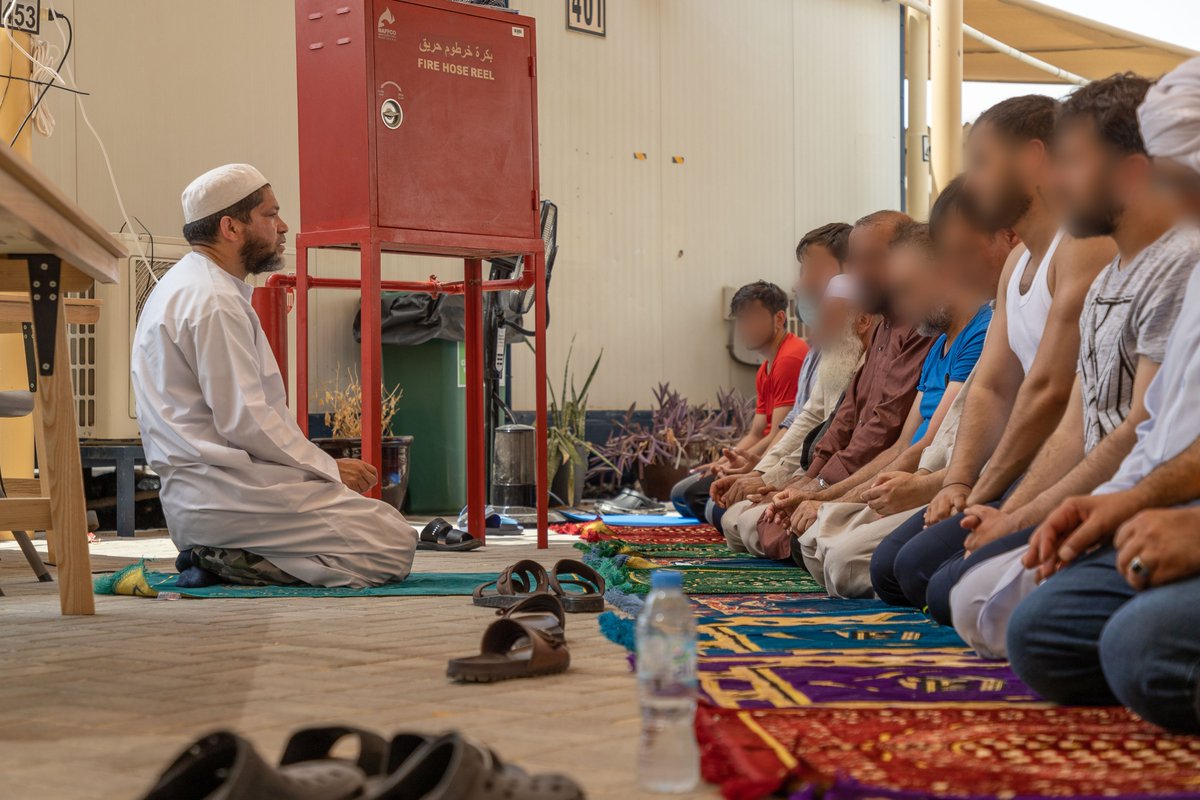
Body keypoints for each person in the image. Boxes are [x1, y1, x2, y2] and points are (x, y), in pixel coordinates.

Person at [951, 64, 1200, 733]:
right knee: (1032, 629)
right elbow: (1155, 436)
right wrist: (1117, 504)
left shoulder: (1176, 260)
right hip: (1159, 500)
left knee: (1137, 647)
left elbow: (1084, 413)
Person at [870, 94, 1116, 614]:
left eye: (981, 161)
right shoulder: (1016, 265)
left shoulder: (1082, 247)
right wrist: (959, 483)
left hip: (1060, 467)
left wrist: (990, 491)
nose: (972, 181)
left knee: (935, 584)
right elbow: (992, 385)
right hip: (1020, 468)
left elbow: (1049, 391)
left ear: (1031, 159)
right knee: (894, 567)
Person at [131, 164, 418, 588]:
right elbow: (245, 419)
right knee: (392, 542)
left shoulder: (191, 286)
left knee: (378, 527)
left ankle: (236, 554)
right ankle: (226, 559)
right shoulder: (213, 302)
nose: (283, 227)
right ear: (231, 226)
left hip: (225, 489)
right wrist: (328, 468)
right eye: (270, 215)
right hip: (224, 496)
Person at [794, 179, 1014, 596]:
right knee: (812, 540)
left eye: (908, 290)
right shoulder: (934, 345)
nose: (905, 306)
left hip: (941, 479)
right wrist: (827, 492)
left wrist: (831, 493)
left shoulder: (982, 329)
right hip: (916, 476)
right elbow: (901, 444)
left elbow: (932, 442)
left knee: (851, 559)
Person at [721, 211, 933, 558]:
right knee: (741, 520)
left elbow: (884, 430)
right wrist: (802, 481)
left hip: (878, 478)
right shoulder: (881, 329)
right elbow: (842, 419)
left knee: (815, 547)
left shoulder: (918, 330)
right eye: (855, 262)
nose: (858, 273)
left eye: (871, 260)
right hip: (840, 476)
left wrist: (818, 488)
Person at [718, 276, 874, 555]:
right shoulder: (834, 357)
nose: (814, 335)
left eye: (829, 320)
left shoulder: (871, 362)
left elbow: (858, 446)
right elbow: (807, 422)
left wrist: (806, 488)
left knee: (756, 523)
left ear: (863, 321)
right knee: (735, 518)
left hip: (848, 480)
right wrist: (765, 476)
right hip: (814, 474)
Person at [669, 280, 807, 520]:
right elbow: (756, 433)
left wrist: (748, 467)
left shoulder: (790, 358)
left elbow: (777, 435)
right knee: (680, 494)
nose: (745, 327)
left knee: (694, 496)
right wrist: (723, 462)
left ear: (779, 318)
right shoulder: (766, 367)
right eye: (741, 319)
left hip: (776, 460)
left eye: (753, 317)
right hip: (760, 455)